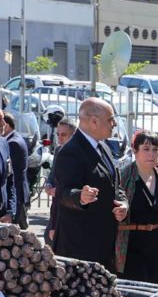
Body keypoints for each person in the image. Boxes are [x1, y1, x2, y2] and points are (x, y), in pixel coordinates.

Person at [52, 98, 129, 270]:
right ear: (94, 121)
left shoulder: (104, 148)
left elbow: (115, 185)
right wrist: (80, 196)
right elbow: (63, 192)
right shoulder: (71, 152)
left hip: (104, 244)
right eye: (110, 119)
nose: (114, 123)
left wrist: (123, 203)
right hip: (79, 249)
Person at [117, 129, 158, 283]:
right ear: (135, 151)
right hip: (131, 245)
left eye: (155, 150)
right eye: (146, 149)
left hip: (155, 244)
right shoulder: (124, 177)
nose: (151, 154)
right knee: (135, 289)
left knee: (152, 287)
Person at [45, 117, 77, 244]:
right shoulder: (59, 150)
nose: (60, 138)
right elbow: (53, 173)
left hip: (70, 203)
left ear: (74, 135)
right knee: (49, 237)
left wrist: (60, 190)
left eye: (64, 135)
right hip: (56, 204)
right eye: (58, 134)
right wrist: (48, 184)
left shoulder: (78, 153)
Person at [2, 113, 30, 229]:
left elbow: (9, 171)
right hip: (18, 190)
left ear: (6, 126)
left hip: (16, 191)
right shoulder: (16, 138)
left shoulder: (12, 143)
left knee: (14, 230)